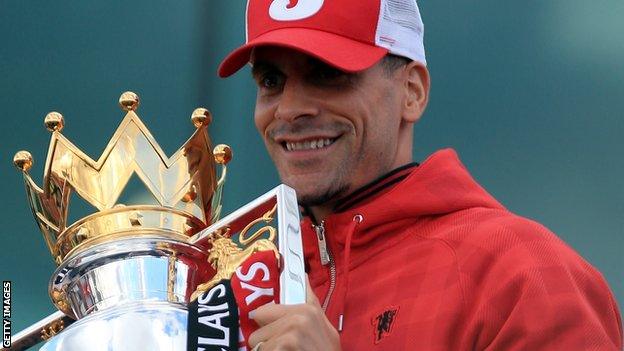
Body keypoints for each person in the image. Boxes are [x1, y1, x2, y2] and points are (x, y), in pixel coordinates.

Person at [216, 0, 623, 349]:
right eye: (271, 81)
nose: (289, 110)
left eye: (327, 74)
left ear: (412, 91)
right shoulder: (239, 288)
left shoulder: (519, 271)